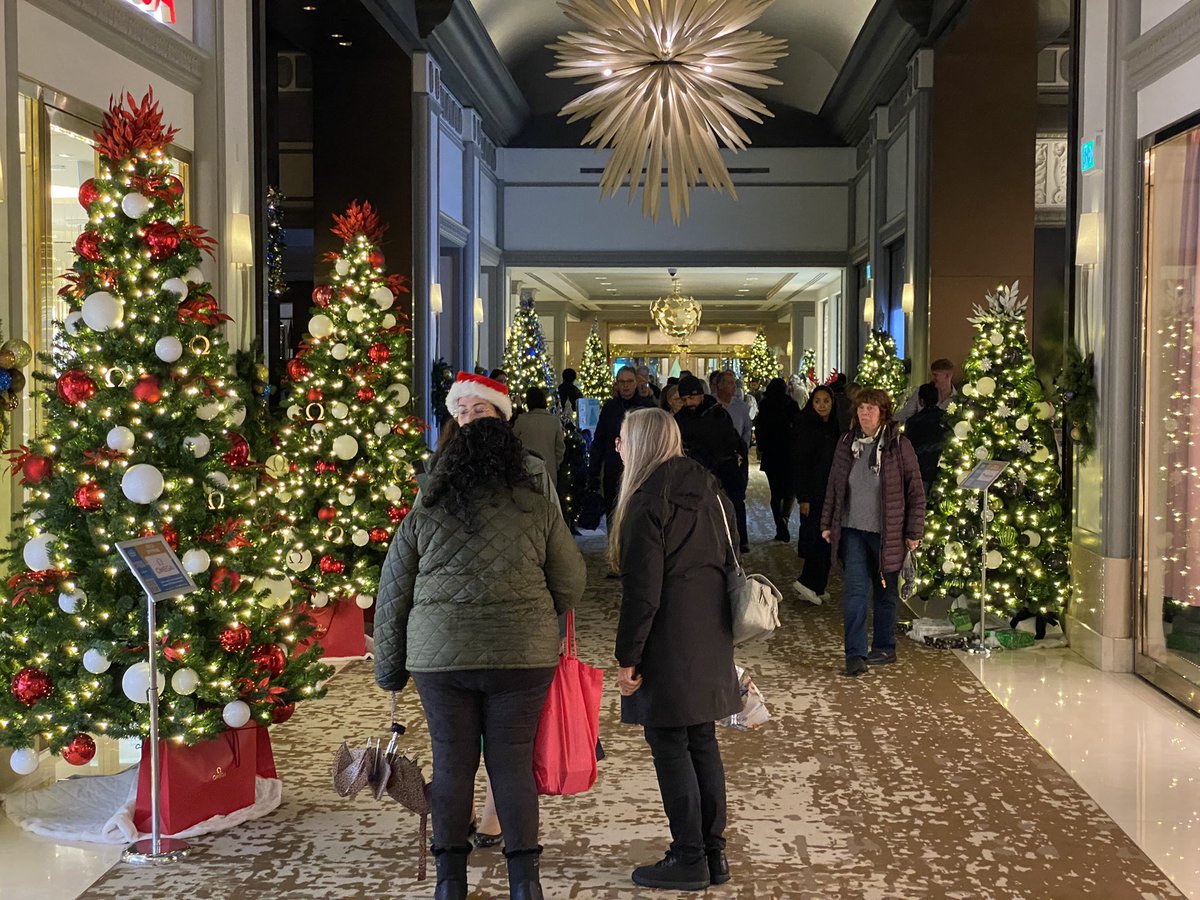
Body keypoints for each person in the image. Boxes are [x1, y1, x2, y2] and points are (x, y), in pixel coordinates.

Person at [375, 416, 586, 900]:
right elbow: (572, 581)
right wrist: (535, 610)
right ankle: (524, 884)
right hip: (523, 656)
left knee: (452, 765)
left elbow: (393, 592)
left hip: (442, 657)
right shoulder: (537, 505)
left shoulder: (427, 505)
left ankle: (450, 883)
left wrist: (389, 672)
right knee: (511, 766)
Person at [611, 408, 740, 892]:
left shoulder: (647, 502)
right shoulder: (710, 490)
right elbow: (732, 557)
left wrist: (628, 659)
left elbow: (642, 593)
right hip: (710, 632)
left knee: (670, 745)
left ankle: (688, 856)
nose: (617, 447)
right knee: (702, 742)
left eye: (623, 439)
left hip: (667, 640)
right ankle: (713, 853)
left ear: (641, 443)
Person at [820, 388, 925, 677]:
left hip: (887, 533)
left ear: (883, 413)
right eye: (861, 408)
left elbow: (915, 491)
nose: (865, 413)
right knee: (854, 592)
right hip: (853, 530)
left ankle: (884, 647)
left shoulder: (898, 445)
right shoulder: (846, 443)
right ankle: (854, 654)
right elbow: (835, 485)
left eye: (871, 408)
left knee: (884, 592)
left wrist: (913, 531)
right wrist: (827, 523)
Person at [589, 365, 655, 532]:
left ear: (636, 383)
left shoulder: (646, 407)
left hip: (641, 468)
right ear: (617, 384)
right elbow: (600, 440)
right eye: (622, 382)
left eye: (629, 381)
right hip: (614, 468)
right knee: (614, 513)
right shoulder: (610, 408)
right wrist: (594, 471)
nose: (625, 386)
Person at [791, 385, 841, 606]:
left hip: (829, 491)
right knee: (817, 538)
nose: (822, 405)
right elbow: (800, 464)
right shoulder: (806, 427)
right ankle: (807, 581)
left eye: (826, 401)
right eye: (817, 401)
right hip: (814, 494)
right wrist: (803, 497)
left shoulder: (832, 426)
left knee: (827, 538)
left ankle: (817, 585)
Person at [753, 378, 799, 542]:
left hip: (772, 454)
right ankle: (784, 519)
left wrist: (762, 447)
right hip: (789, 454)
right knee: (790, 490)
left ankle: (780, 524)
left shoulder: (765, 406)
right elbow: (798, 428)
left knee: (776, 492)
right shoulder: (791, 405)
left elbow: (760, 429)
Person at [673, 375, 741, 484]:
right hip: (694, 475)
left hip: (722, 473)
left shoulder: (718, 414)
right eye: (684, 400)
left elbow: (730, 443)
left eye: (691, 398)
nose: (688, 403)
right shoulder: (680, 419)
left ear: (701, 395)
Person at [714, 371, 752, 553]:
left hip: (737, 458)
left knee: (738, 499)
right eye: (728, 382)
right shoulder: (711, 404)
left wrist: (741, 449)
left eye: (733, 383)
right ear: (719, 385)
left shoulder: (741, 406)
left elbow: (747, 429)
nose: (732, 386)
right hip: (717, 458)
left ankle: (742, 538)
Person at [512, 387, 566, 486]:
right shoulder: (554, 421)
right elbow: (560, 448)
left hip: (527, 470)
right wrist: (555, 465)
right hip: (549, 471)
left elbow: (513, 443)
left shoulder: (522, 420)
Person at [904, 382, 949, 496]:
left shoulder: (913, 422)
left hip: (920, 468)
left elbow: (909, 446)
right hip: (943, 466)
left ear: (920, 401)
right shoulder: (947, 419)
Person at [896, 358, 956, 423]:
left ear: (947, 376)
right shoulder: (922, 392)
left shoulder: (957, 399)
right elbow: (905, 414)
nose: (932, 379)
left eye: (935, 375)